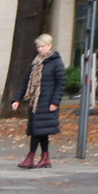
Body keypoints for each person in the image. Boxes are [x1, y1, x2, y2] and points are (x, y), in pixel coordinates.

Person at [12, 33, 62, 168]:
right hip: (35, 102)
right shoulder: (36, 62)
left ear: (50, 46)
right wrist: (16, 98)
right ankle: (45, 158)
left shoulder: (56, 62)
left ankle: (30, 157)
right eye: (38, 46)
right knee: (41, 131)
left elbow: (60, 83)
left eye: (43, 46)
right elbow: (26, 82)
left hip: (47, 102)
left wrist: (55, 102)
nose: (40, 49)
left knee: (37, 131)